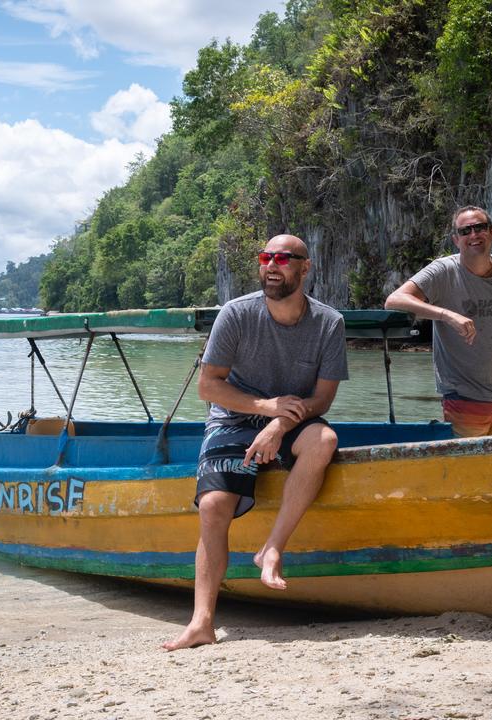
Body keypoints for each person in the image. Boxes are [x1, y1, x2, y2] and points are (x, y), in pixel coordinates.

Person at [161, 234, 348, 651]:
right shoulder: (236, 314)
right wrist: (267, 409)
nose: (272, 265)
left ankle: (271, 549)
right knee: (212, 506)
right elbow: (209, 387)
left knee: (325, 441)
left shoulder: (328, 322)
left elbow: (324, 398)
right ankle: (202, 622)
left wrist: (279, 424)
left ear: (305, 267)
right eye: (266, 258)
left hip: (296, 418)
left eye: (283, 258)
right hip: (234, 416)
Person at [384, 205, 492, 436]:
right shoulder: (443, 272)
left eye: (480, 227)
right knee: (467, 469)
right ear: (456, 239)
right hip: (463, 399)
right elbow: (394, 300)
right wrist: (446, 314)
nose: (473, 235)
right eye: (465, 231)